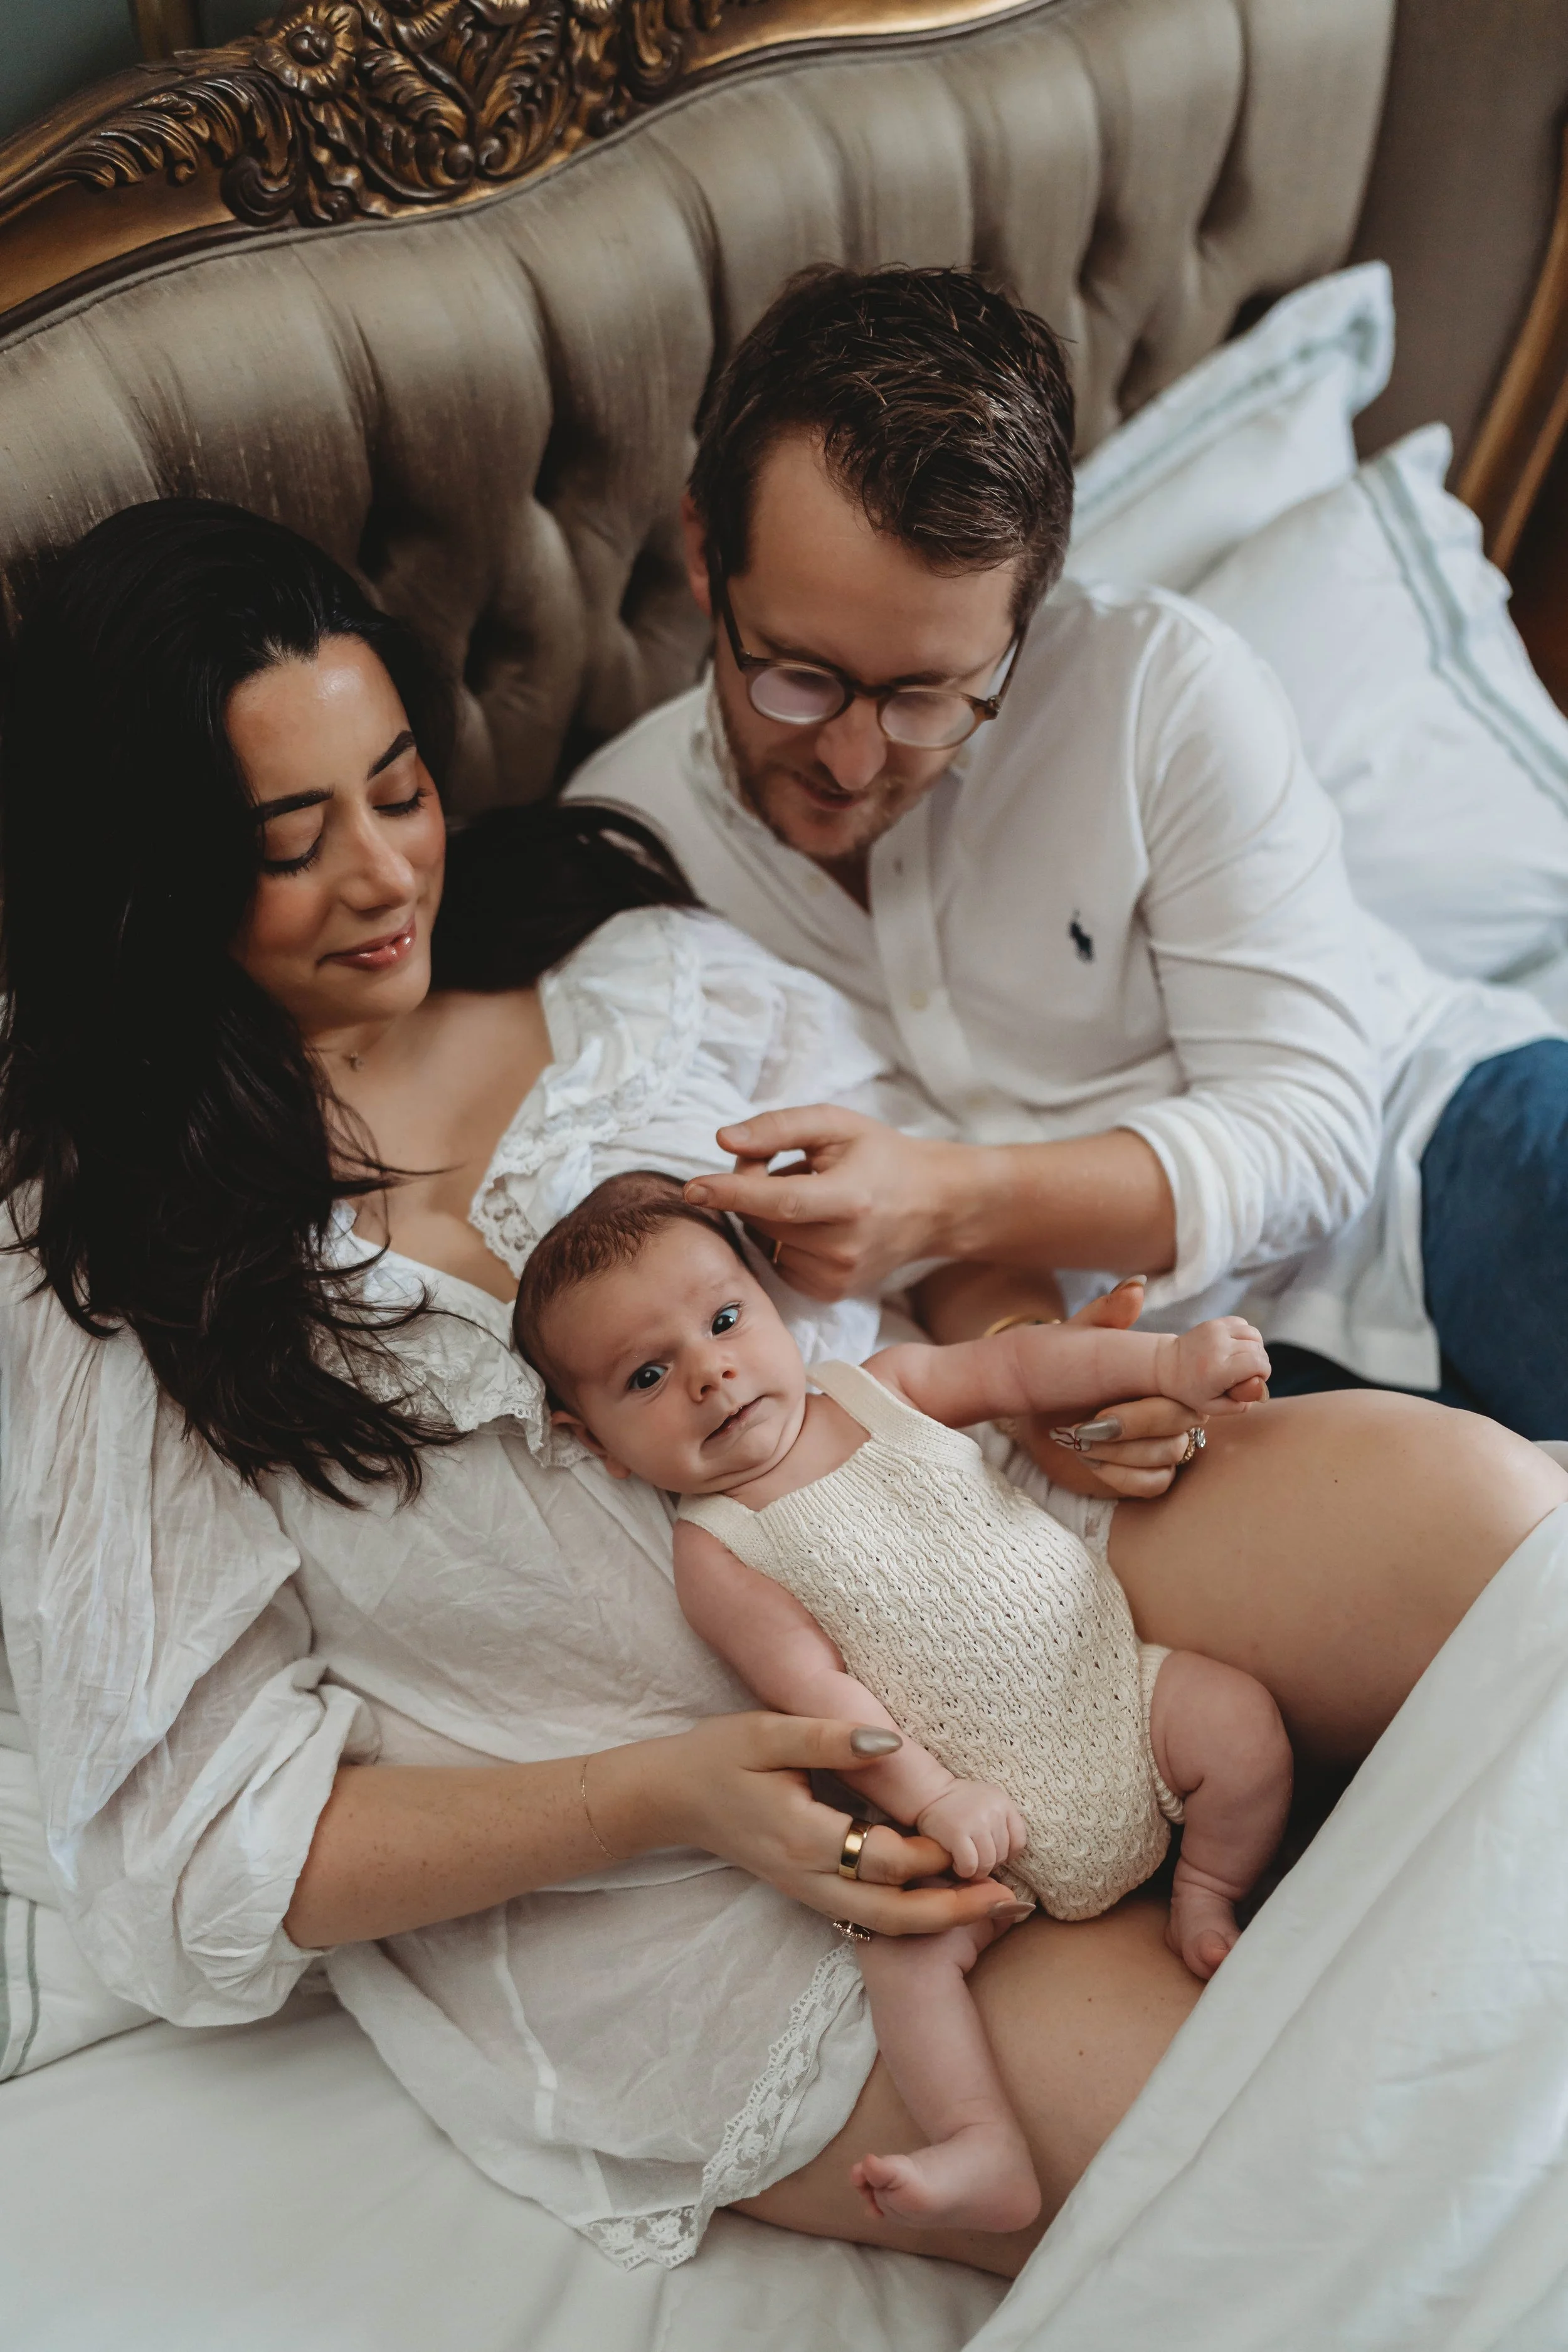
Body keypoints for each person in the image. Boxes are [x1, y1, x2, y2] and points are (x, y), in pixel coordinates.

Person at [0, 498, 1560, 2286]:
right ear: (148, 868)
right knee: (1324, 2186)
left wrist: (1023, 1358)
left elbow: (919, 1217)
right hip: (738, 1897)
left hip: (1010, 1559)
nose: (381, 873)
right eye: (291, 838)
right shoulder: (113, 1261)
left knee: (1505, 1542)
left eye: (401, 785)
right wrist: (670, 1793)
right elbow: (199, 1848)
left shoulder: (633, 972)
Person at [564, 263, 1568, 1442]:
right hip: (1132, 1361)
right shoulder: (623, 852)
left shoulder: (1161, 689)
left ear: (1020, 626)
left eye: (926, 697)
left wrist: (943, 1199)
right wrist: (1028, 1369)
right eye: (799, 673)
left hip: (1444, 1147)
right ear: (702, 551)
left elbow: (1313, 1137)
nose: (846, 756)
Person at [514, 1169, 1290, 2233]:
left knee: (1239, 1722)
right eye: (647, 1374)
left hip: (1121, 1698)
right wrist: (932, 1801)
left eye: (726, 1319)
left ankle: (1206, 1892)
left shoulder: (886, 1388)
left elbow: (1022, 1365)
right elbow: (821, 1696)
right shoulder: (718, 1551)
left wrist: (1167, 1360)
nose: (711, 1372)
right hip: (979, 1826)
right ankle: (983, 2141)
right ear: (595, 1438)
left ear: (774, 1310)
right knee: (904, 1957)